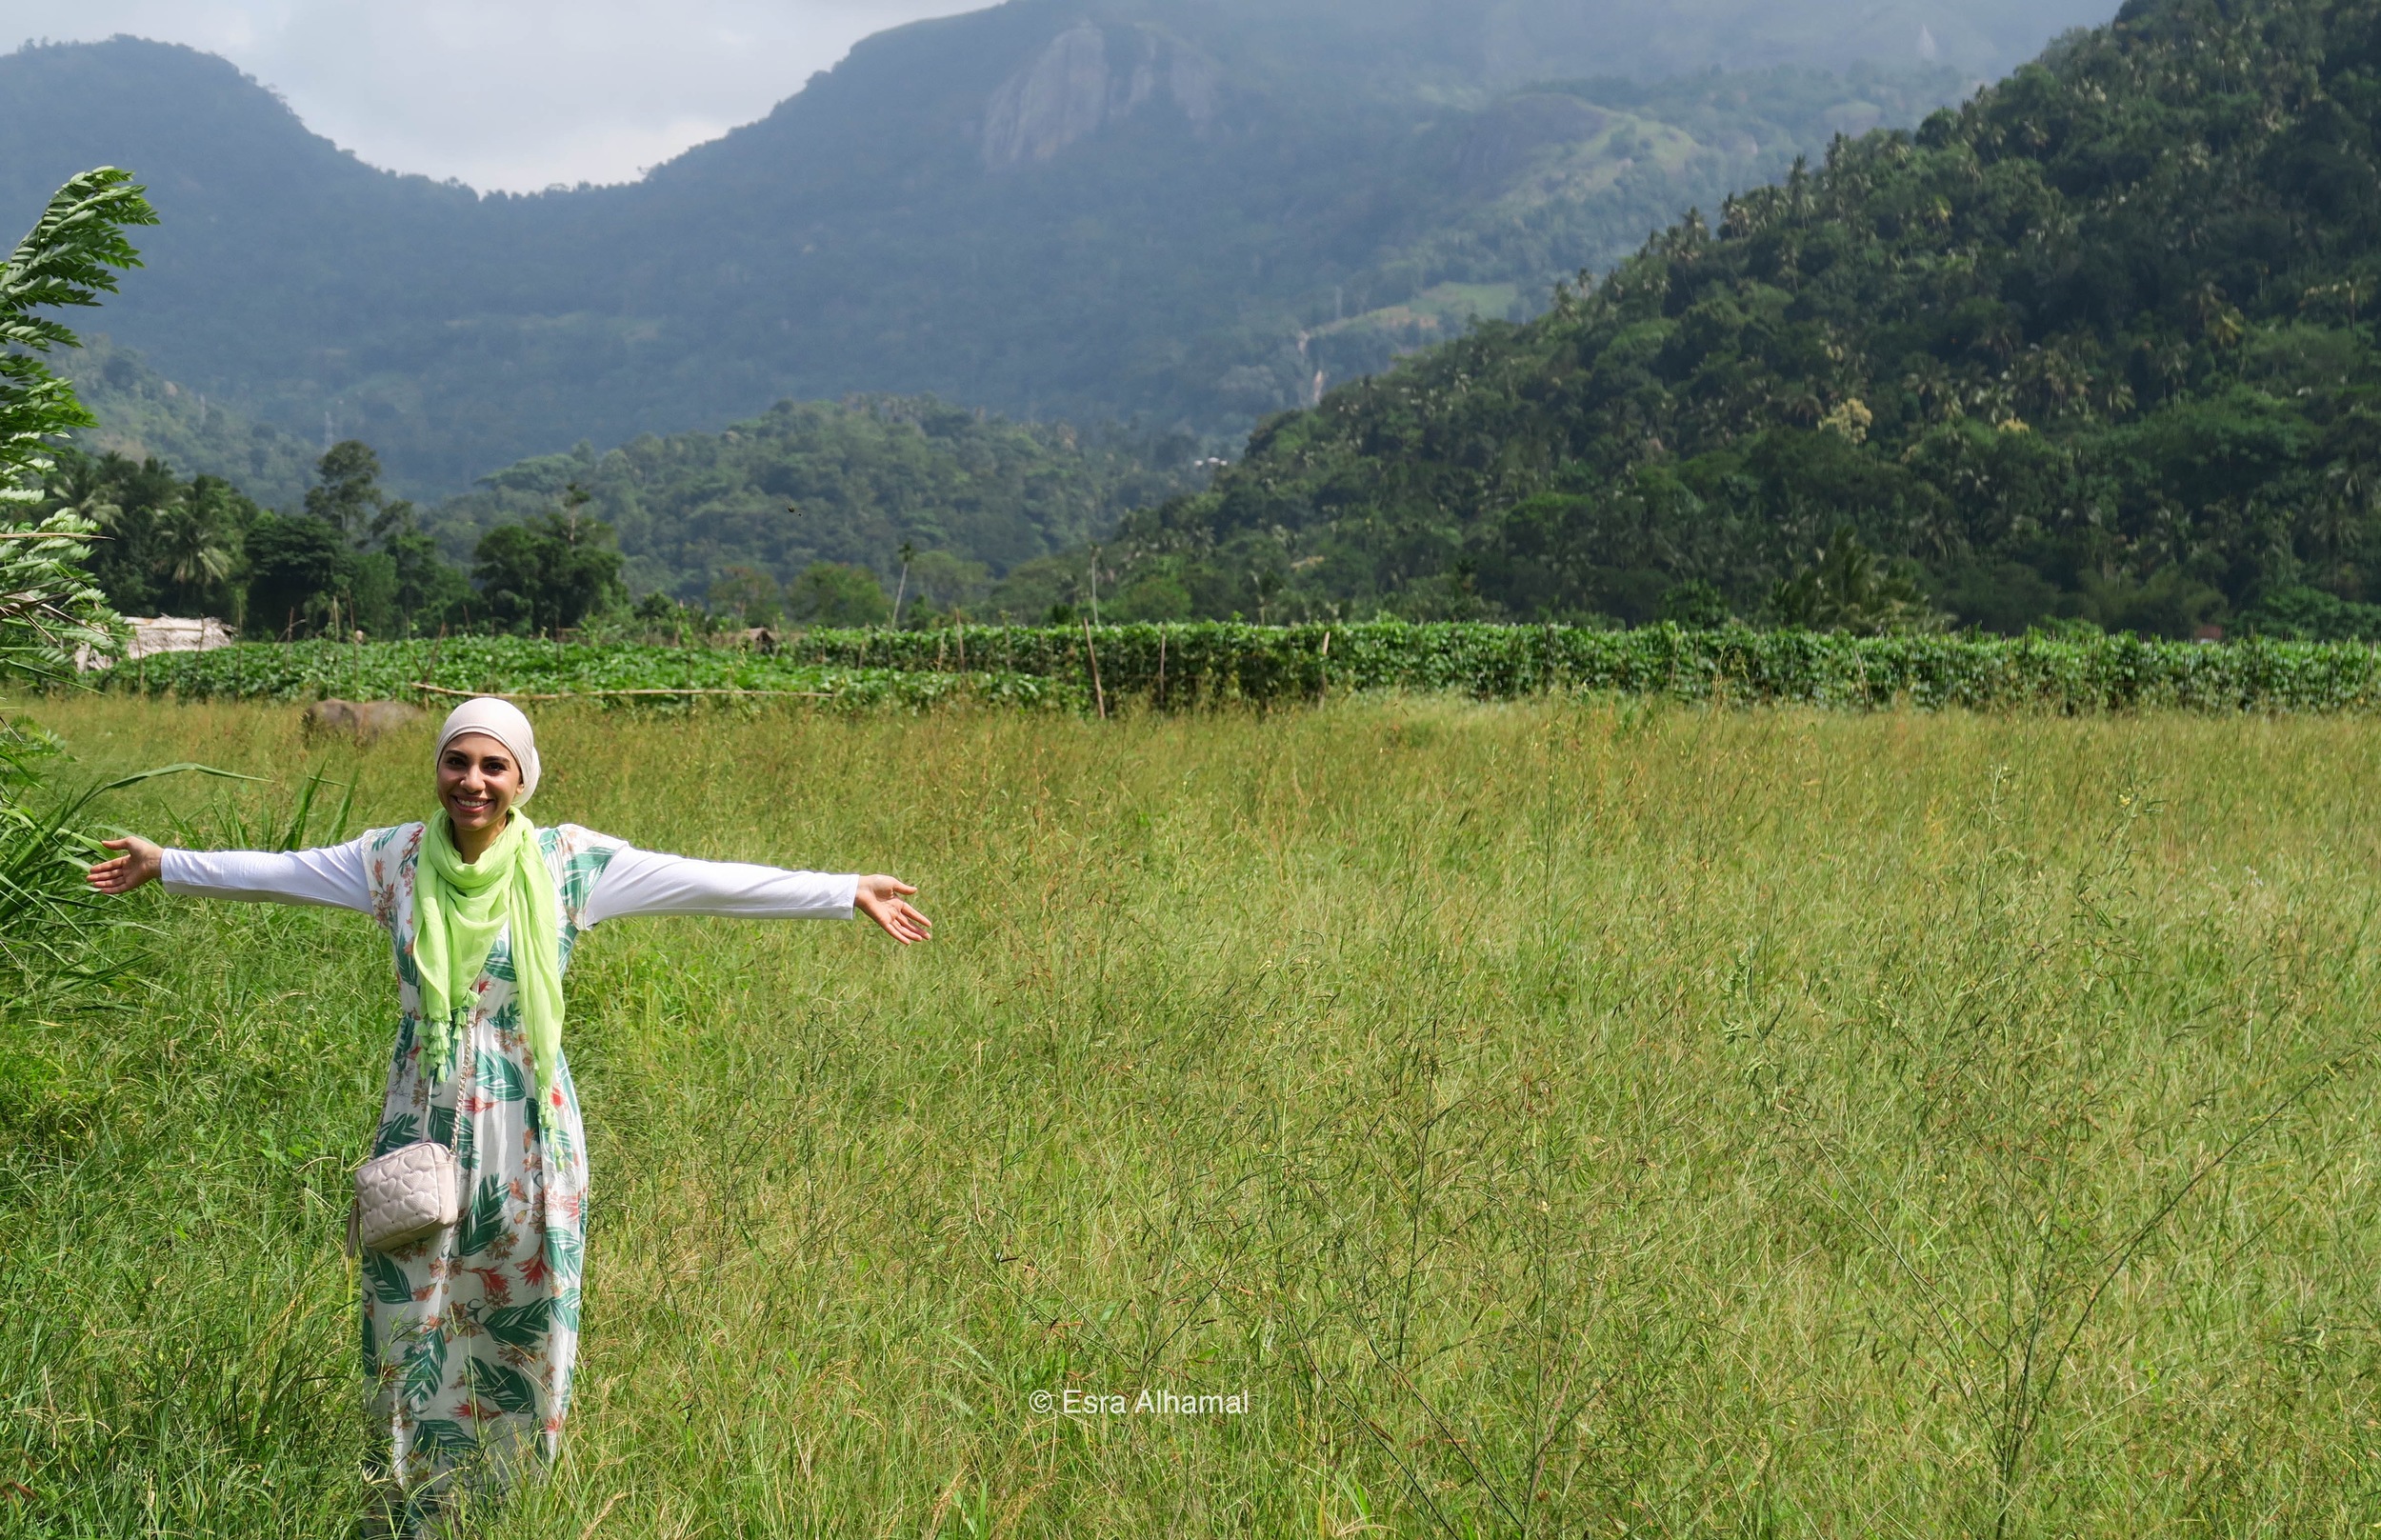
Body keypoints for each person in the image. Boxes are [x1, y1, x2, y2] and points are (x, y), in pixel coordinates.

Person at [87, 697, 930, 1518]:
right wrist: (169, 862)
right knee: (407, 1306)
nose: (473, 780)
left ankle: (509, 1498)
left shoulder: (567, 863)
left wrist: (841, 889)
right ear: (438, 767)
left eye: (495, 765)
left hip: (530, 1124)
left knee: (520, 1302)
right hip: (422, 1118)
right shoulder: (395, 858)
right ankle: (404, 1488)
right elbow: (282, 870)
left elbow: (702, 881)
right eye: (458, 760)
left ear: (522, 778)